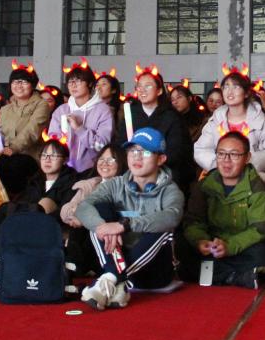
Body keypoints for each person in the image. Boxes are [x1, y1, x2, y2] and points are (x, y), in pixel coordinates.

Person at [76, 128, 184, 309]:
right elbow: (83, 207)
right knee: (99, 210)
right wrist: (102, 226)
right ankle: (116, 282)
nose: (137, 157)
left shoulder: (170, 191)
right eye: (132, 151)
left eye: (145, 152)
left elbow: (172, 217)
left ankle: (110, 278)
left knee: (162, 226)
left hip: (154, 273)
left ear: (161, 159)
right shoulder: (115, 184)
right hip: (117, 258)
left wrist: (124, 225)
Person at [180, 131, 265, 289]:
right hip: (212, 246)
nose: (226, 160)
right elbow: (193, 221)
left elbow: (260, 229)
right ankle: (235, 277)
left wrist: (230, 246)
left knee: (264, 255)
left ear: (247, 157)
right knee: (180, 249)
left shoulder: (256, 187)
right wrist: (200, 241)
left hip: (241, 246)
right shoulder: (205, 185)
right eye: (221, 154)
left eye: (234, 155)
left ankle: (213, 274)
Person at [194, 69, 265, 226]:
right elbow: (201, 149)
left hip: (254, 178)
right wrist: (221, 165)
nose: (230, 91)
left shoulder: (260, 122)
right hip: (221, 176)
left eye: (236, 86)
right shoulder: (215, 121)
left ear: (247, 93)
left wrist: (245, 164)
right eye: (226, 87)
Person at [113, 66, 191, 191]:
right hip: (133, 174)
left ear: (159, 91)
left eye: (148, 86)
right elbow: (121, 144)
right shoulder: (130, 115)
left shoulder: (172, 116)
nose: (142, 90)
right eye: (139, 86)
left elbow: (176, 152)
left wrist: (149, 164)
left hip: (163, 177)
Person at [61, 144, 127, 274]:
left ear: (121, 162)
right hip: (86, 239)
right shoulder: (90, 184)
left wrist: (84, 217)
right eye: (101, 159)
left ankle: (83, 264)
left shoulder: (125, 186)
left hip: (112, 236)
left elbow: (128, 213)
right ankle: (75, 263)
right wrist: (76, 214)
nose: (104, 163)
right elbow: (65, 211)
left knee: (99, 209)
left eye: (111, 159)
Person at [0, 62, 52, 197]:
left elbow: (32, 130)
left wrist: (14, 148)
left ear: (32, 85)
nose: (19, 85)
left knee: (14, 166)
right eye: (15, 81)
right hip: (5, 158)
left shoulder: (41, 105)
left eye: (24, 82)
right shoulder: (5, 109)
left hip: (29, 157)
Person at [48, 61, 113, 173]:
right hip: (63, 170)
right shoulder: (62, 110)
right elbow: (52, 142)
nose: (73, 85)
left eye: (78, 81)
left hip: (92, 170)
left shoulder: (103, 110)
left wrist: (79, 129)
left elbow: (101, 146)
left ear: (90, 84)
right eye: (70, 81)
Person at [23, 138, 80, 216]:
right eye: (44, 155)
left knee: (46, 203)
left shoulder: (72, 182)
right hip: (30, 219)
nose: (47, 160)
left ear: (65, 160)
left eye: (53, 156)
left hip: (54, 221)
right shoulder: (34, 181)